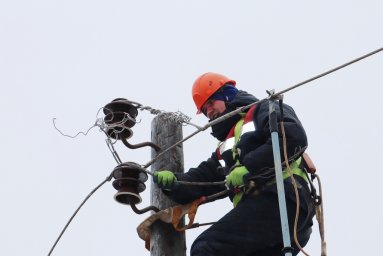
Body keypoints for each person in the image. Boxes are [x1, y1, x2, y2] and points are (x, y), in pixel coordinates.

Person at [153, 72, 315, 256]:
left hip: (282, 198)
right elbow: (204, 178)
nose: (210, 111)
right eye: (205, 110)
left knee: (206, 247)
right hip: (274, 216)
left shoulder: (263, 109)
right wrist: (175, 183)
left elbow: (293, 137)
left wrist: (250, 168)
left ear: (227, 95)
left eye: (211, 103)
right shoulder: (227, 146)